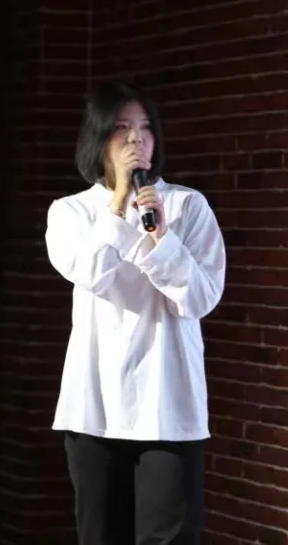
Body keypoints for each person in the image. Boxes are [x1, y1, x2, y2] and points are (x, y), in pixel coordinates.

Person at [44, 81, 226, 545]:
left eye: (145, 128)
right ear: (98, 138)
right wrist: (118, 204)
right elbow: (91, 272)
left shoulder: (188, 206)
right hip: (96, 408)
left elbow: (201, 299)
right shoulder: (70, 212)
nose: (135, 139)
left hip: (169, 405)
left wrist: (161, 237)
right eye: (122, 127)